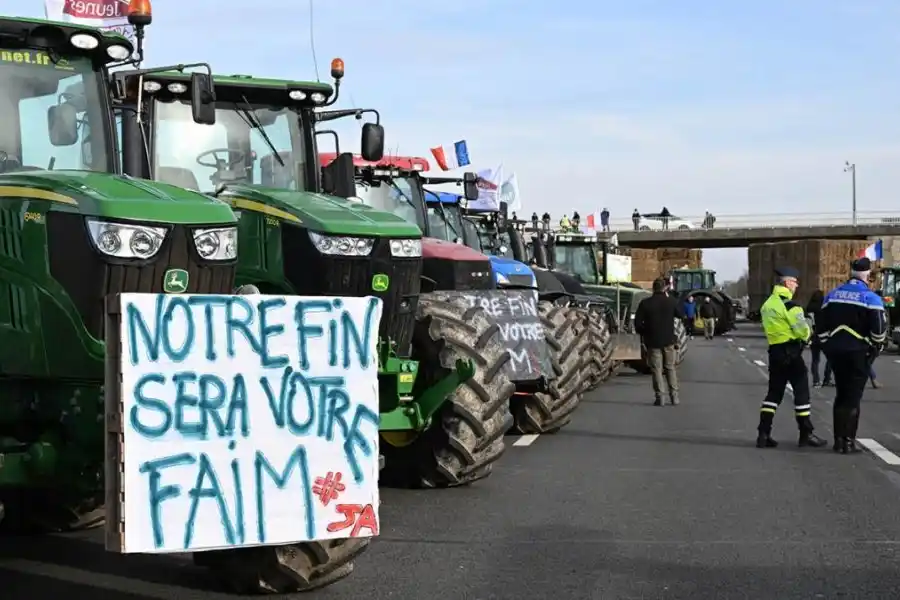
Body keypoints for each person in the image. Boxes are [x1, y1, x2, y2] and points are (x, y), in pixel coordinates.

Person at [816, 257, 887, 454]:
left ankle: (838, 440)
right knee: (853, 398)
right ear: (867, 275)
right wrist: (875, 346)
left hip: (836, 352)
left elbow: (820, 324)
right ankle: (848, 442)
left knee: (840, 395)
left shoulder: (833, 295)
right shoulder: (871, 298)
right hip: (858, 352)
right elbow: (879, 329)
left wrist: (826, 344)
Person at [756, 266, 828, 449]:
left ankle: (763, 434)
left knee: (773, 394)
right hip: (792, 353)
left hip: (774, 352)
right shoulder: (791, 306)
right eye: (795, 282)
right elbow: (802, 331)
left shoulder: (767, 305)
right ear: (787, 282)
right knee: (802, 392)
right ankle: (806, 434)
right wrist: (808, 332)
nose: (797, 286)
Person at [634, 277, 685, 406]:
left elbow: (637, 323)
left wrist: (645, 332)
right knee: (670, 368)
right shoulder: (671, 302)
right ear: (665, 288)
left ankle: (660, 397)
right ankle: (674, 397)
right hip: (669, 340)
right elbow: (681, 314)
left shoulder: (645, 303)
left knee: (656, 369)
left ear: (653, 288)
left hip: (652, 341)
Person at [805, 289, 828, 388]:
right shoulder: (824, 308)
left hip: (813, 336)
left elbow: (807, 323)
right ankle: (827, 379)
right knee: (830, 359)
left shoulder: (809, 309)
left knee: (815, 360)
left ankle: (816, 380)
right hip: (824, 335)